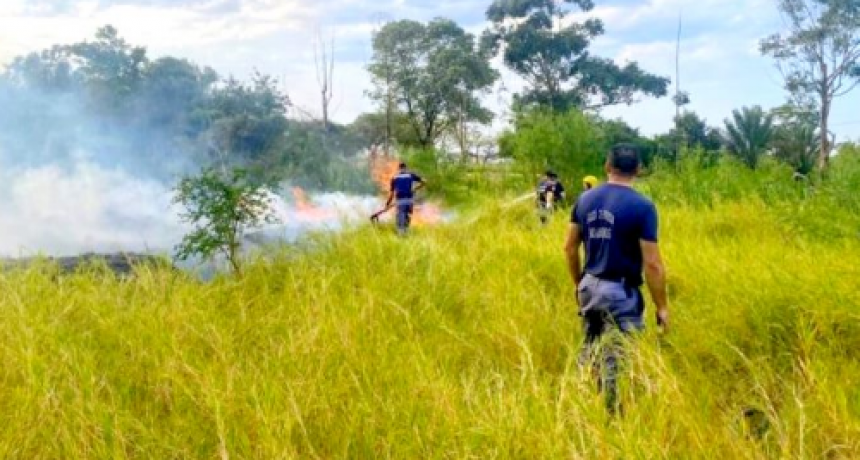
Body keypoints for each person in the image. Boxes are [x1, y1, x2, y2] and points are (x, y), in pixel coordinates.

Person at [564, 143, 669, 413]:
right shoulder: (643, 207)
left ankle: (578, 403)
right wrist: (662, 307)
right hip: (620, 293)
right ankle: (611, 418)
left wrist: (579, 284)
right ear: (638, 169)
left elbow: (569, 247)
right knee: (617, 359)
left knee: (589, 347)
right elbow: (653, 264)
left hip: (589, 284)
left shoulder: (584, 200)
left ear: (607, 167)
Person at [386, 162, 426, 235]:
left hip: (400, 200)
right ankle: (406, 233)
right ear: (405, 168)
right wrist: (415, 189)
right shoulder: (410, 175)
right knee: (407, 216)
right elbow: (424, 181)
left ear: (399, 169)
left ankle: (401, 235)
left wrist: (388, 203)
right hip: (409, 201)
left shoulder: (394, 178)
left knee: (400, 218)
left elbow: (392, 194)